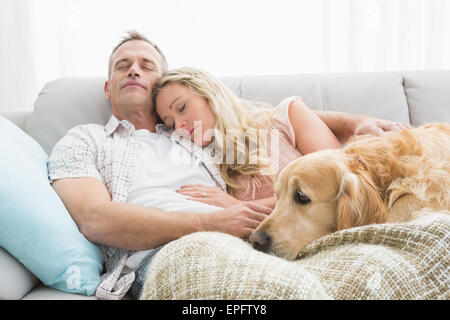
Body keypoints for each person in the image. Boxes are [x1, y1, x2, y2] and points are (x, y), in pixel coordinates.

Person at [48, 30, 408, 300]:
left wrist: (352, 121)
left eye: (147, 66)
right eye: (122, 66)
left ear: (161, 83)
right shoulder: (87, 139)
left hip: (249, 241)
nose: (134, 71)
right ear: (109, 88)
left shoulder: (195, 137)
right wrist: (213, 221)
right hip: (175, 251)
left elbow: (267, 120)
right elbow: (94, 218)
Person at [152, 66, 342, 209]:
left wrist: (238, 207)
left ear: (212, 90)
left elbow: (337, 182)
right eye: (170, 124)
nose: (179, 125)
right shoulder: (208, 170)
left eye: (182, 108)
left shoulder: (286, 116)